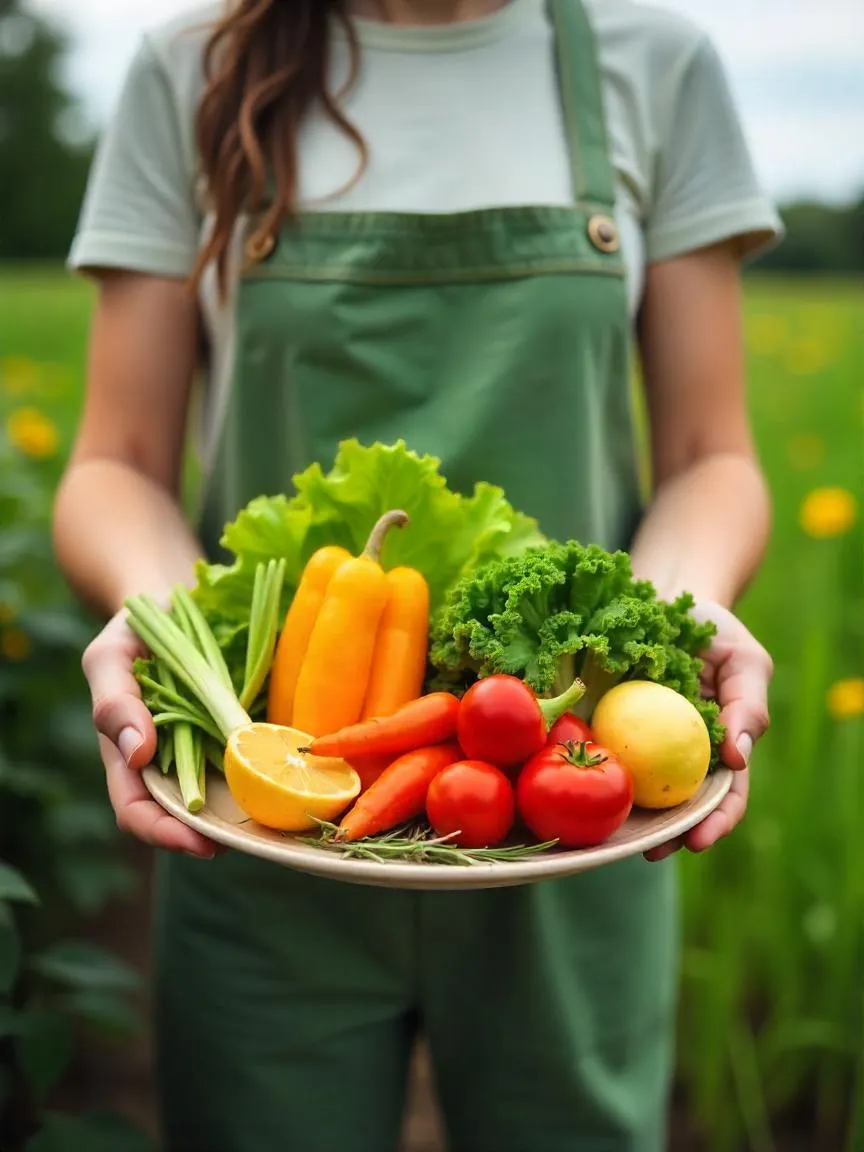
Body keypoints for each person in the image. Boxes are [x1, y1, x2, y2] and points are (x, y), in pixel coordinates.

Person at [53, 1, 781, 1149]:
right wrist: (170, 622)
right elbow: (119, 460)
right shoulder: (187, 68)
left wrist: (677, 613)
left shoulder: (656, 63)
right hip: (267, 806)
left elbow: (709, 455)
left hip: (565, 801)